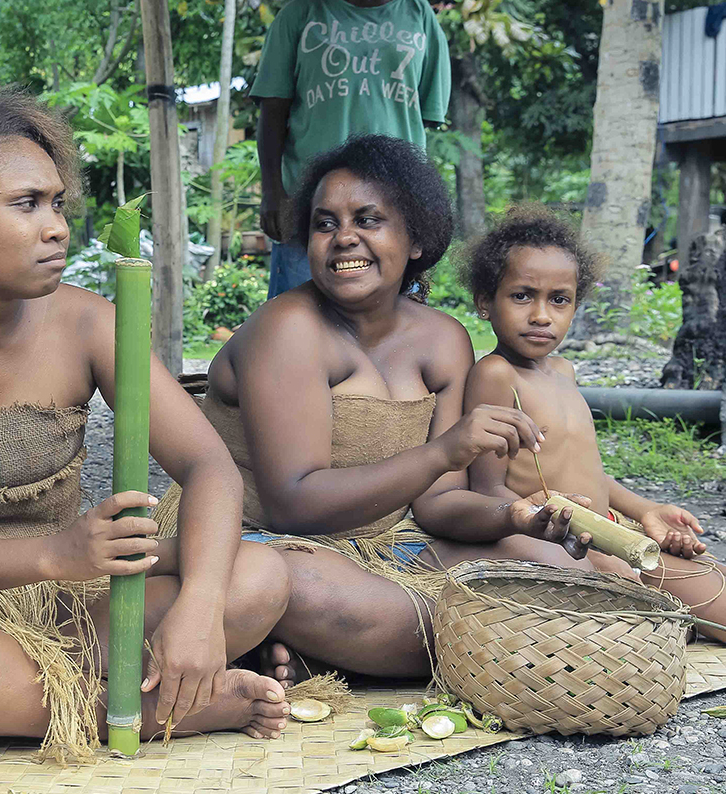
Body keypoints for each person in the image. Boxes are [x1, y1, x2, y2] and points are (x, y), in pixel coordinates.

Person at [0, 93, 294, 766]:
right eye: (26, 204)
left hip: (79, 610)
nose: (58, 227)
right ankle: (129, 713)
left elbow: (210, 468)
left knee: (261, 573)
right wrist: (53, 555)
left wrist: (202, 609)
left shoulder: (90, 321)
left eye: (58, 204)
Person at [184, 135, 591, 684]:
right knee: (424, 617)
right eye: (324, 224)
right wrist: (443, 450)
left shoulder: (442, 338)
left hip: (387, 545)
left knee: (564, 573)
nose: (343, 237)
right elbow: (293, 505)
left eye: (367, 219)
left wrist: (515, 516)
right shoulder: (289, 330)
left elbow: (439, 503)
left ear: (416, 238)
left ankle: (315, 651)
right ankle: (311, 639)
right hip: (266, 542)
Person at [460, 208, 726, 645]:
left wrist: (644, 509)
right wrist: (588, 559)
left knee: (723, 575)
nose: (541, 315)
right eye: (522, 296)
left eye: (559, 299)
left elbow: (582, 468)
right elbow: (490, 490)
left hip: (616, 529)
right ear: (484, 301)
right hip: (576, 542)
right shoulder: (497, 375)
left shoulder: (564, 371)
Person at [251, 0, 451, 299]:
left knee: (394, 325)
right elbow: (272, 114)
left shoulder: (419, 16)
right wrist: (273, 195)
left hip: (394, 202)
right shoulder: (299, 17)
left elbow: (423, 120)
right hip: (314, 206)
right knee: (300, 323)